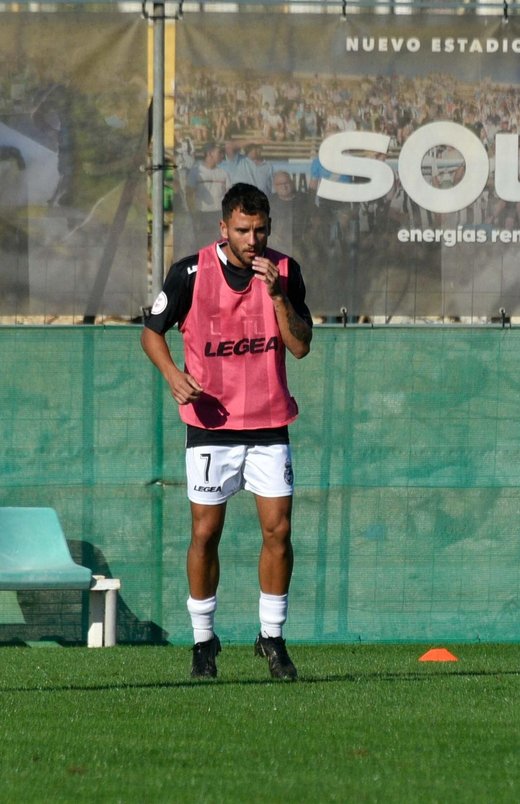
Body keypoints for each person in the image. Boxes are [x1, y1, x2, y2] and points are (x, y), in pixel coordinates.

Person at [142, 182, 313, 681]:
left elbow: (300, 346)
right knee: (205, 533)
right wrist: (174, 376)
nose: (253, 239)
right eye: (242, 230)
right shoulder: (190, 273)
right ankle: (202, 641)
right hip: (211, 426)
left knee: (278, 531)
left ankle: (272, 638)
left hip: (268, 422)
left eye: (261, 230)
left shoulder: (285, 272)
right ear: (224, 228)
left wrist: (278, 295)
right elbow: (151, 331)